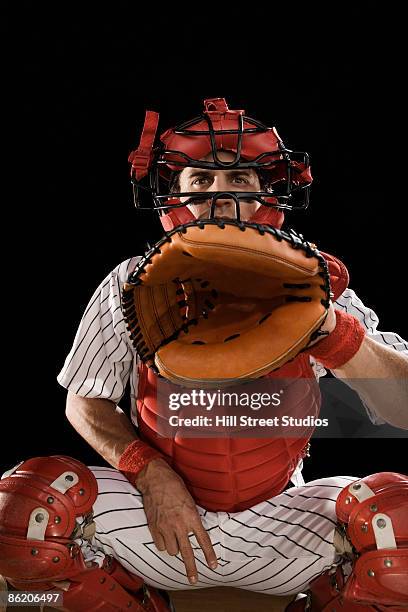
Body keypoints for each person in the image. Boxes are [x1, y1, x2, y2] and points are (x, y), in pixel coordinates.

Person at [1, 98, 407, 611]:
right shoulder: (132, 281)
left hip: (278, 513)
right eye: (201, 182)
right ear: (175, 196)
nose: (218, 196)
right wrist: (149, 474)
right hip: (153, 509)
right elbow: (84, 401)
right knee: (25, 511)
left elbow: (404, 405)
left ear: (267, 192)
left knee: (398, 528)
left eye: (238, 179)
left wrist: (331, 330)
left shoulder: (314, 284)